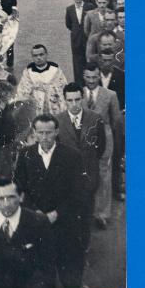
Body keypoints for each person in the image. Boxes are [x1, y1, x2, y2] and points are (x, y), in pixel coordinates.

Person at [14, 114, 87, 288]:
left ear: (57, 132)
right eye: (41, 133)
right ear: (34, 133)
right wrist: (35, 212)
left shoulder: (72, 156)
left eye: (49, 132)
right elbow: (19, 188)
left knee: (69, 269)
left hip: (65, 222)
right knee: (41, 271)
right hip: (36, 221)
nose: (45, 137)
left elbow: (78, 192)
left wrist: (57, 213)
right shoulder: (25, 155)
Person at [0, 177, 56, 288]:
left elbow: (47, 265)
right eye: (1, 198)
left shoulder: (38, 222)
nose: (6, 203)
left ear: (21, 197)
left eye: (11, 197)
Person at [57, 83, 106, 250]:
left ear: (82, 99)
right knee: (69, 213)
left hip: (88, 176)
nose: (74, 104)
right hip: (67, 179)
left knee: (86, 213)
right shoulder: (57, 121)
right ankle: (70, 243)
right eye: (70, 100)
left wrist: (90, 164)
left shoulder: (95, 118)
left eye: (77, 99)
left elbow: (101, 146)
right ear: (65, 101)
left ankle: (84, 245)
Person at [83, 62, 122, 229]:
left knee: (104, 175)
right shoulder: (77, 94)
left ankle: (102, 214)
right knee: (84, 174)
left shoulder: (110, 95)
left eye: (94, 77)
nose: (91, 81)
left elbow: (116, 121)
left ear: (99, 76)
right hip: (83, 139)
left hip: (105, 138)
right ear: (83, 77)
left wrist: (110, 138)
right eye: (88, 77)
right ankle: (86, 211)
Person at [98, 48, 126, 201]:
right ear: (99, 60)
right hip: (97, 123)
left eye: (109, 60)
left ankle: (116, 187)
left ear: (113, 61)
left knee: (116, 154)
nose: (106, 63)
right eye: (103, 60)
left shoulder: (121, 76)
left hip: (115, 123)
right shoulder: (93, 76)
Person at [14, 44, 67, 114]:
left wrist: (47, 88)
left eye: (41, 55)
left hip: (54, 106)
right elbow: (22, 91)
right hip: (35, 108)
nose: (38, 58)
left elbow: (62, 88)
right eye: (35, 56)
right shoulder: (28, 72)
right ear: (32, 57)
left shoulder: (55, 69)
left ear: (46, 54)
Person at [65, 0, 95, 85]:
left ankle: (90, 81)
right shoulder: (69, 9)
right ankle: (79, 83)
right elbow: (68, 24)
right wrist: (76, 32)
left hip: (87, 38)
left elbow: (92, 22)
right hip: (75, 39)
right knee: (77, 62)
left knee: (89, 59)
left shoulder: (89, 7)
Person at [0, 0, 18, 68]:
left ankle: (10, 63)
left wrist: (13, 15)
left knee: (9, 41)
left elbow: (14, 8)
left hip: (9, 21)